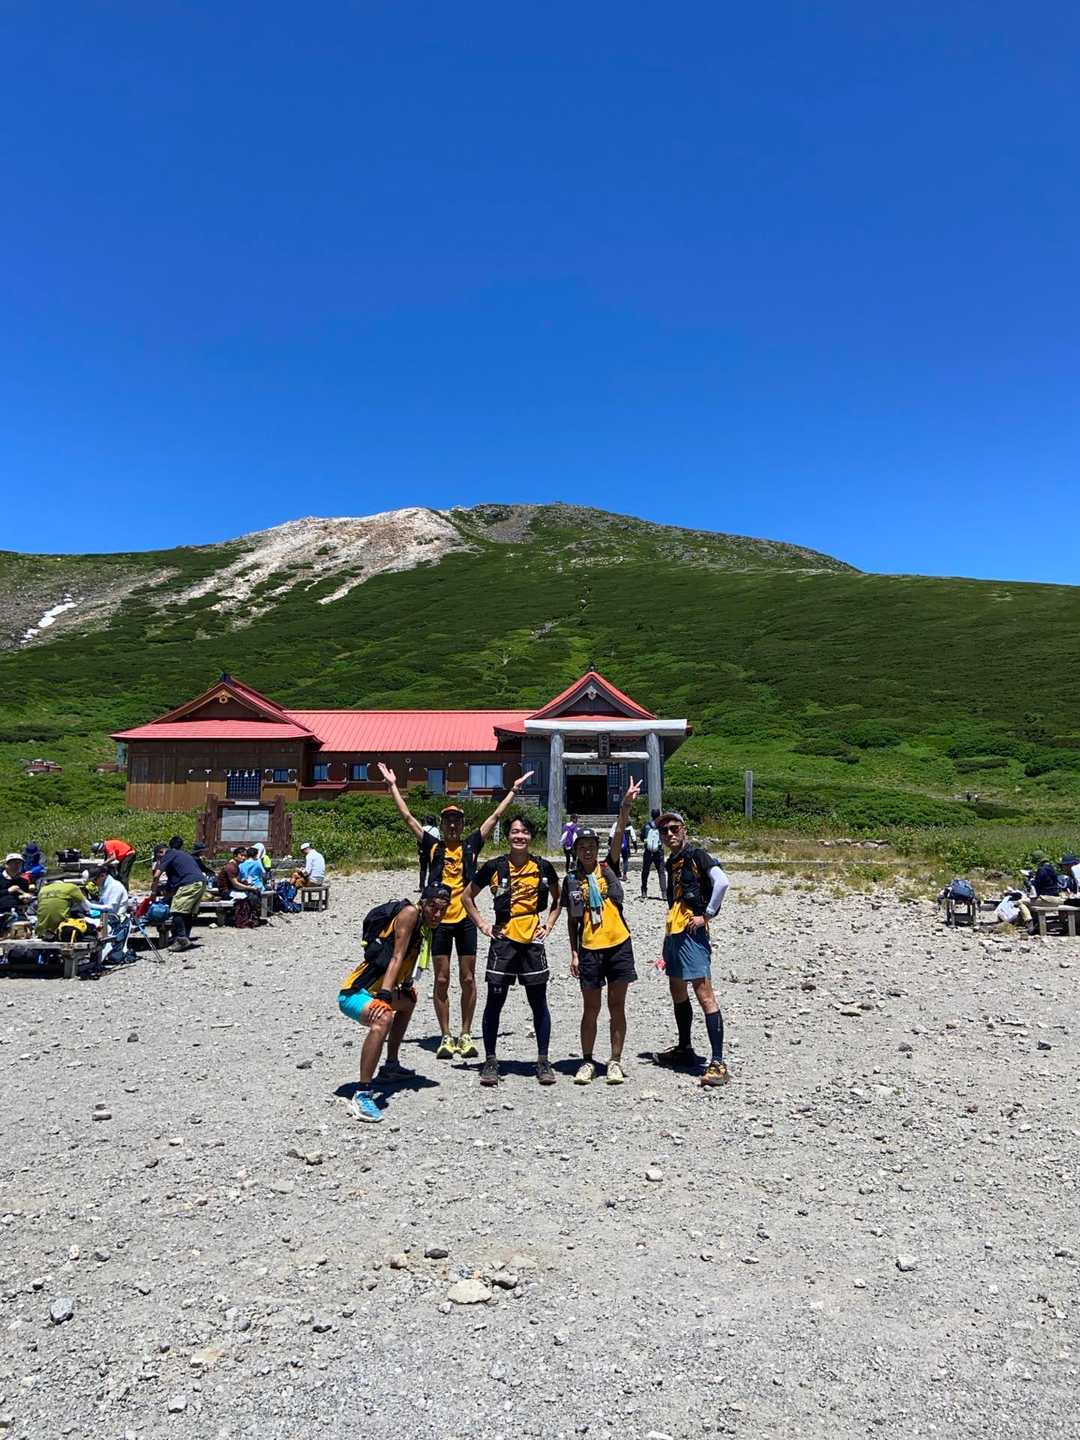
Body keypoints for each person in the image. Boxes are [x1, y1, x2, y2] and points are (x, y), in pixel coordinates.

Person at [379, 762, 535, 1061]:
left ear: (463, 825)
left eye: (457, 821)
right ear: (442, 824)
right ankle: (445, 1035)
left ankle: (465, 1034)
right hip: (438, 921)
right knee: (441, 980)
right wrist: (392, 786)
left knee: (468, 979)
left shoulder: (471, 845)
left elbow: (495, 816)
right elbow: (408, 817)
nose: (453, 825)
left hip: (465, 920)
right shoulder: (434, 846)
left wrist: (514, 790)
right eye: (448, 820)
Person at [462, 815, 563, 1088]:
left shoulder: (543, 867)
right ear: (508, 836)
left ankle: (543, 1060)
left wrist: (549, 925)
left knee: (538, 1002)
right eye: (515, 831)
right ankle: (490, 1060)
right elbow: (466, 896)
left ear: (531, 837)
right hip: (504, 938)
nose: (520, 836)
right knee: (495, 1001)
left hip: (532, 939)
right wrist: (483, 924)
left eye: (525, 832)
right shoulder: (494, 867)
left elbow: (559, 898)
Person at [339, 883, 451, 1122]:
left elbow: (409, 961)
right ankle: (362, 1093)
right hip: (355, 992)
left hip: (377, 990)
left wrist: (406, 986)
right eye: (433, 907)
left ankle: (390, 1066)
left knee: (408, 1001)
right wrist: (385, 996)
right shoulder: (410, 914)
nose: (437, 913)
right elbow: (397, 956)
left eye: (443, 909)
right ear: (423, 903)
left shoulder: (424, 927)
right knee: (384, 1017)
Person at [566, 779, 642, 1086]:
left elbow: (619, 832)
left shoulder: (607, 866)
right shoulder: (571, 881)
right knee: (591, 1008)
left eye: (591, 846)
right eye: (582, 847)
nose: (587, 851)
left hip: (618, 943)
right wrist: (573, 953)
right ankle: (587, 1061)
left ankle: (615, 1060)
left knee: (617, 1006)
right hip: (589, 947)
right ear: (575, 851)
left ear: (597, 849)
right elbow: (572, 921)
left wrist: (625, 805)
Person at [653, 812, 731, 1087]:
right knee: (677, 988)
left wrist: (706, 915)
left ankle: (718, 1062)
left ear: (684, 829)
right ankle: (684, 1047)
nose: (669, 834)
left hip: (693, 932)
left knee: (703, 993)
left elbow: (722, 882)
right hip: (674, 931)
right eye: (664, 831)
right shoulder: (672, 861)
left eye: (674, 829)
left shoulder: (698, 856)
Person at [151, 842, 208, 953]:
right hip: (200, 883)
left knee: (177, 910)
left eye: (158, 858)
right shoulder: (180, 855)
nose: (159, 861)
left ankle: (181, 939)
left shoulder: (169, 854)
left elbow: (156, 875)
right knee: (187, 912)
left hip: (189, 884)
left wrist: (153, 892)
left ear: (160, 852)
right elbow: (173, 885)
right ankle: (184, 937)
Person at [0, 853, 33, 930]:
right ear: (7, 865)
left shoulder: (23, 881)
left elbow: (22, 901)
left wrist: (25, 899)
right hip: (1, 910)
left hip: (16, 911)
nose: (17, 866)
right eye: (14, 863)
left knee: (24, 928)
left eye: (19, 863)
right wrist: (8, 891)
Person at [639, 809, 667, 899]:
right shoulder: (662, 826)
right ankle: (664, 893)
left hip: (648, 852)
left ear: (651, 815)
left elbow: (641, 837)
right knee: (661, 872)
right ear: (659, 815)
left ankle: (644, 891)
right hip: (659, 852)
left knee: (645, 871)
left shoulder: (646, 826)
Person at [418, 816, 440, 888]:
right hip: (432, 851)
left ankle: (421, 886)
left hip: (423, 851)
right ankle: (431, 884)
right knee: (432, 868)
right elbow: (438, 840)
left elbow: (419, 839)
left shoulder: (423, 828)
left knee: (423, 868)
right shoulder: (436, 830)